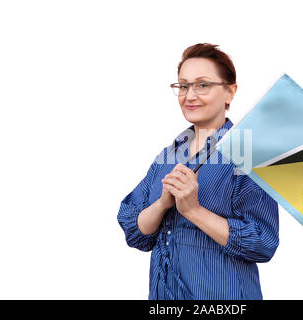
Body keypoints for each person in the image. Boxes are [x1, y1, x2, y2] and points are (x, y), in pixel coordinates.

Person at [117, 43, 279, 300]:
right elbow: (135, 231)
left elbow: (263, 243)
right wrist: (161, 205)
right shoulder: (167, 157)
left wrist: (193, 210)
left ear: (230, 92)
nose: (189, 96)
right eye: (183, 86)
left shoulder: (248, 155)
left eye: (202, 85)